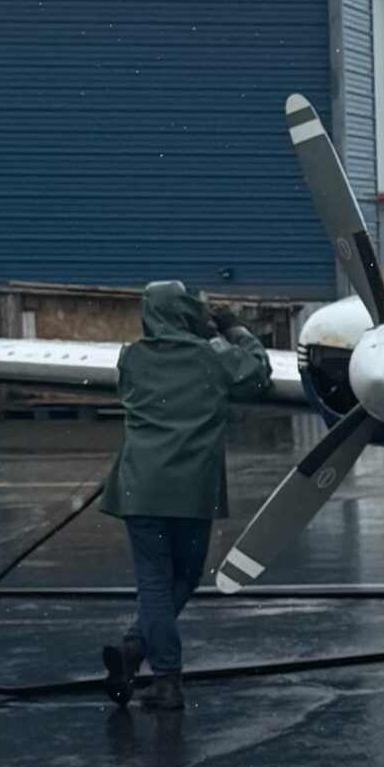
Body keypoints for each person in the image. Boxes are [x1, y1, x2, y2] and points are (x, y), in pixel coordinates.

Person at [99, 279, 274, 707]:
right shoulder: (212, 359)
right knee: (184, 577)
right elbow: (258, 372)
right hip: (192, 493)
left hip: (140, 489)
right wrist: (234, 329)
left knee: (154, 582)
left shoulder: (132, 359)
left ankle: (136, 651)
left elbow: (130, 391)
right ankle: (165, 679)